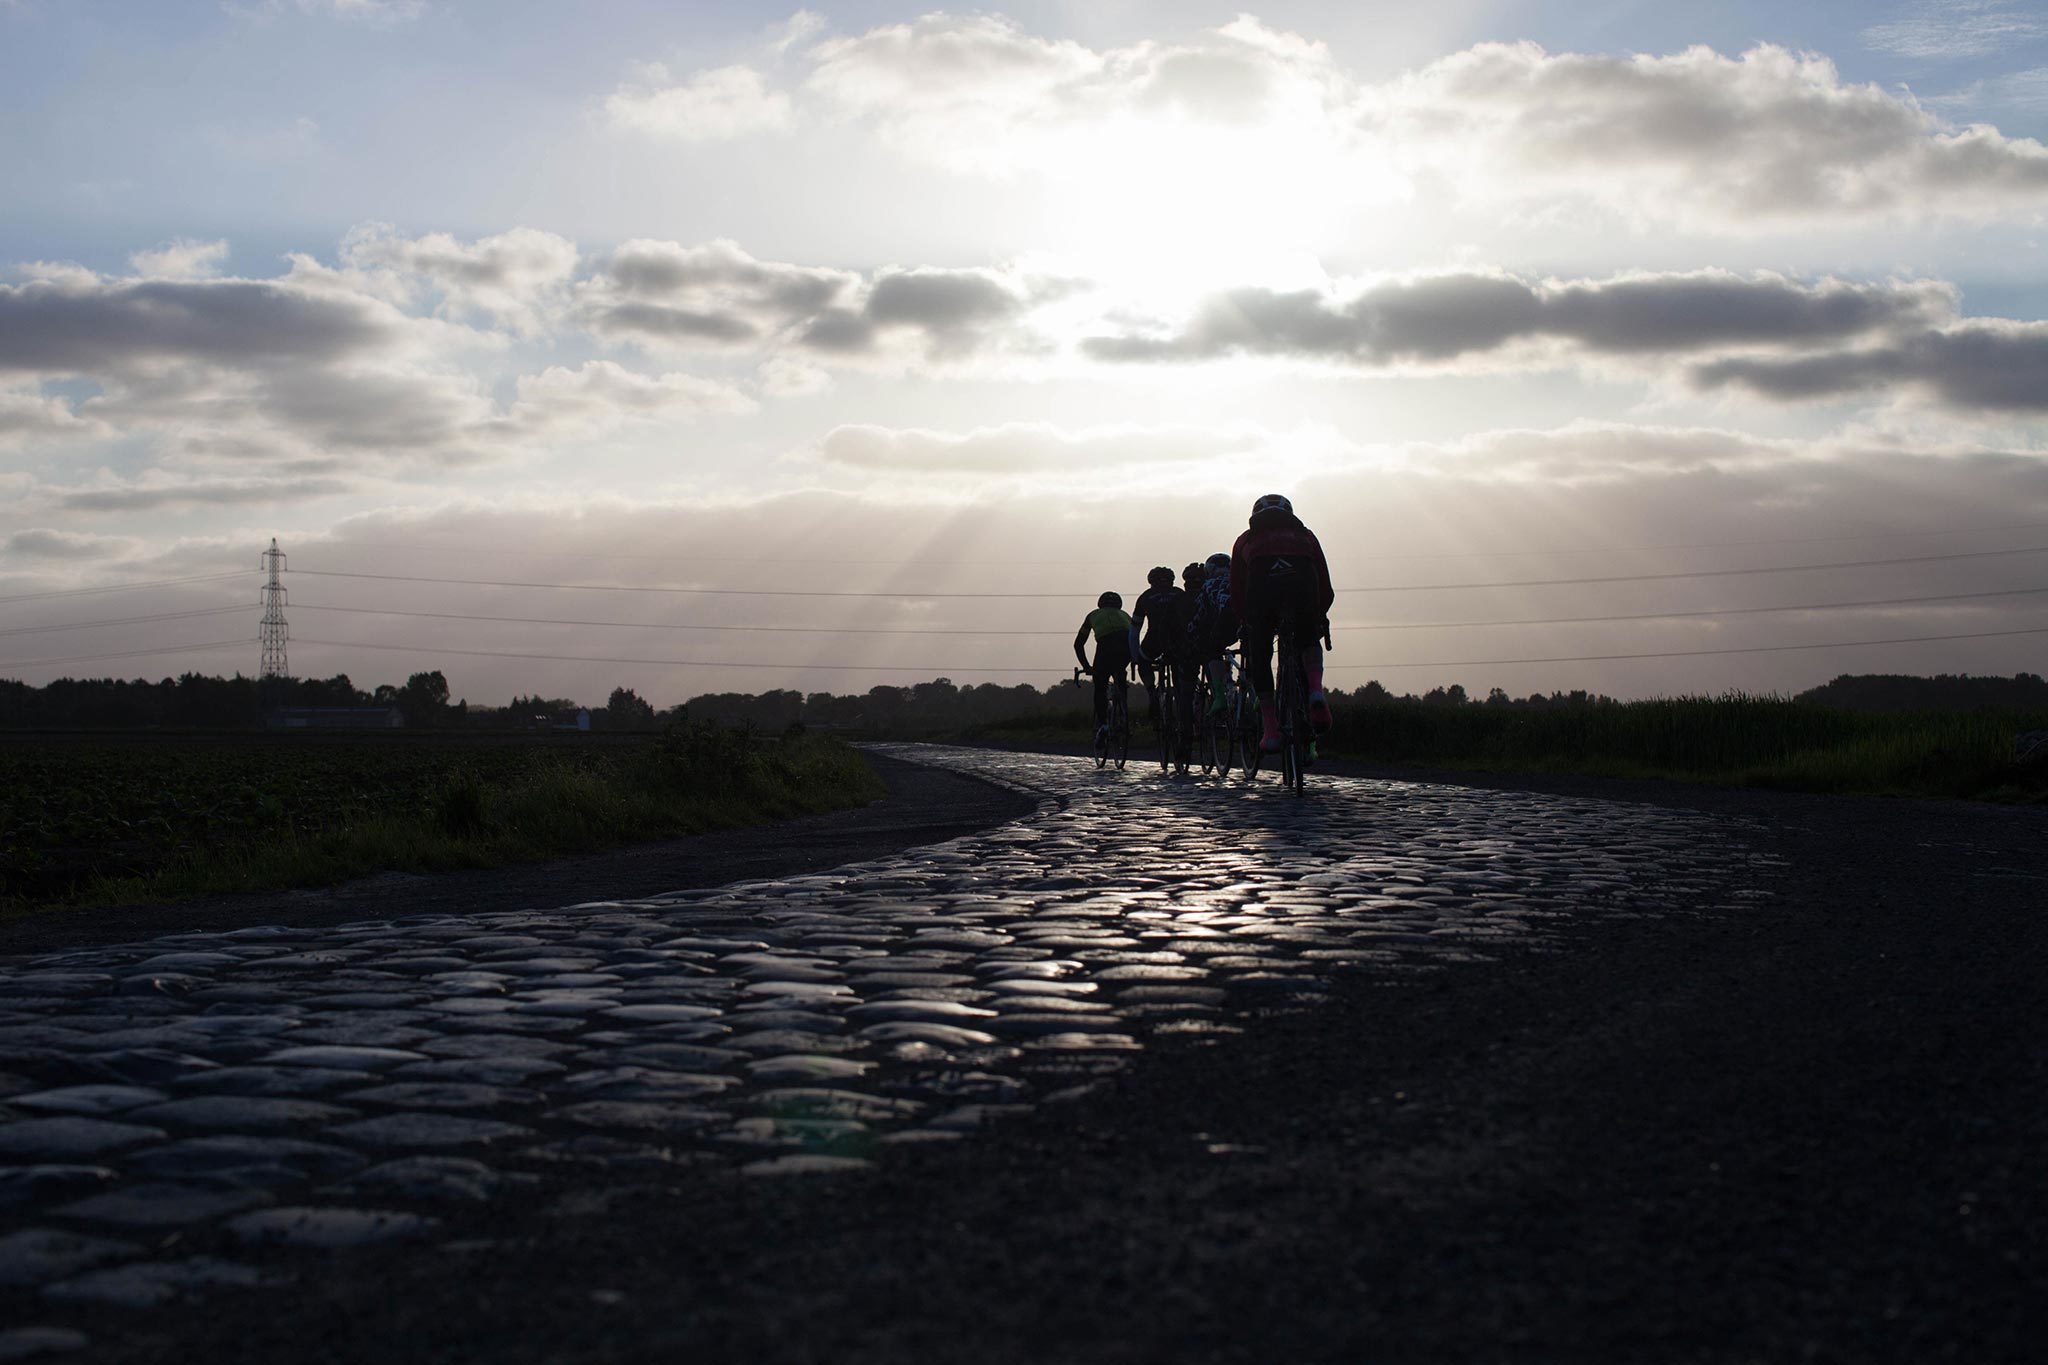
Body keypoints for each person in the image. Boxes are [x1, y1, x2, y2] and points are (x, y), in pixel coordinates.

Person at [1230, 493, 1334, 753]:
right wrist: (1318, 615)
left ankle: (1271, 730)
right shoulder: (1306, 535)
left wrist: (1246, 621)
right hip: (1303, 584)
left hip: (1262, 587)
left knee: (1261, 653)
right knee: (1308, 638)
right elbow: (1324, 582)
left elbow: (1237, 590)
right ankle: (1315, 690)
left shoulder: (1245, 539)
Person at [1128, 565, 1197, 765]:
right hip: (1179, 641)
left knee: (1143, 659)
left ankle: (1151, 692)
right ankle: (1184, 719)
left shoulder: (1145, 597)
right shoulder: (1179, 593)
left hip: (1154, 640)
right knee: (1181, 684)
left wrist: (1134, 658)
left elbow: (1134, 632)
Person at [1073, 590, 1133, 742]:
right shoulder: (1125, 615)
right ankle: (1124, 716)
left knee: (1100, 686)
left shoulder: (1093, 615)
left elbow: (1078, 644)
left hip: (1106, 646)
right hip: (1127, 646)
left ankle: (1103, 725)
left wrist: (1086, 666)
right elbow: (1134, 635)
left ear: (1100, 605)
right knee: (1120, 674)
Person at [1187, 552, 1239, 717]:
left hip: (1226, 618)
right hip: (1247, 617)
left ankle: (1220, 696)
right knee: (1254, 648)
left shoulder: (1208, 585)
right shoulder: (1239, 579)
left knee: (1212, 650)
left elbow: (1199, 614)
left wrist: (1190, 632)